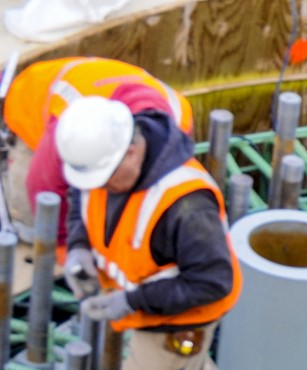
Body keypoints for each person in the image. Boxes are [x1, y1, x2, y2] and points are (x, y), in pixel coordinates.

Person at [57, 95, 241, 370]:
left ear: (133, 151)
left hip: (174, 327)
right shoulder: (103, 163)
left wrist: (133, 301)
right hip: (153, 317)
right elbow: (82, 196)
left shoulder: (183, 203)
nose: (100, 186)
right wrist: (80, 246)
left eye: (107, 177)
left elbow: (214, 280)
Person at [3, 57, 194, 250]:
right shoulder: (67, 133)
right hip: (31, 100)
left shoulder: (179, 124)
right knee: (33, 226)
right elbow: (44, 187)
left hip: (90, 86)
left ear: (131, 152)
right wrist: (63, 247)